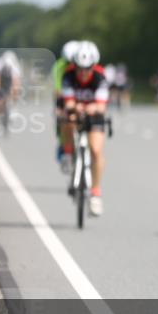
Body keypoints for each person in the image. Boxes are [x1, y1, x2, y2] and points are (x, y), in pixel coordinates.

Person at [60, 42, 110, 216]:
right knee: (68, 119)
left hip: (94, 113)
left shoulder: (100, 77)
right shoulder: (68, 75)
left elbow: (102, 106)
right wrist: (76, 107)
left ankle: (95, 193)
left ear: (93, 66)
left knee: (96, 151)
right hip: (76, 111)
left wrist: (92, 108)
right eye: (79, 68)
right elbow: (68, 102)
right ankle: (67, 152)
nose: (82, 73)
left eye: (86, 69)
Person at [53, 41, 80, 166]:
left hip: (80, 95)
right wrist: (60, 108)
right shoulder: (59, 66)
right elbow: (58, 89)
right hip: (64, 95)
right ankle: (63, 145)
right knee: (61, 118)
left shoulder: (83, 64)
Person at [0, 50, 22, 122]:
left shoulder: (15, 66)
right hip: (1, 79)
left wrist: (15, 94)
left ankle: (14, 107)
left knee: (15, 89)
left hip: (10, 80)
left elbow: (16, 81)